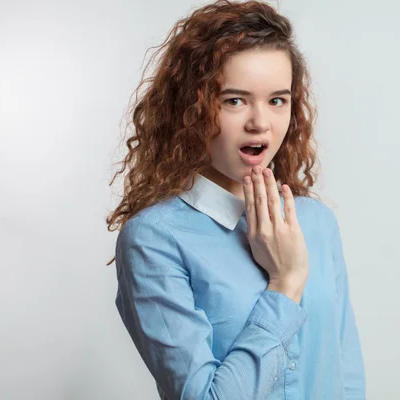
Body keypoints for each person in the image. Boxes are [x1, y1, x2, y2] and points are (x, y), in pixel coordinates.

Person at [106, 1, 366, 398]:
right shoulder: (154, 240)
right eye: (234, 100)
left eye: (277, 100)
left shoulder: (315, 222)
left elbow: (346, 376)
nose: (260, 122)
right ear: (190, 110)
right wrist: (285, 284)